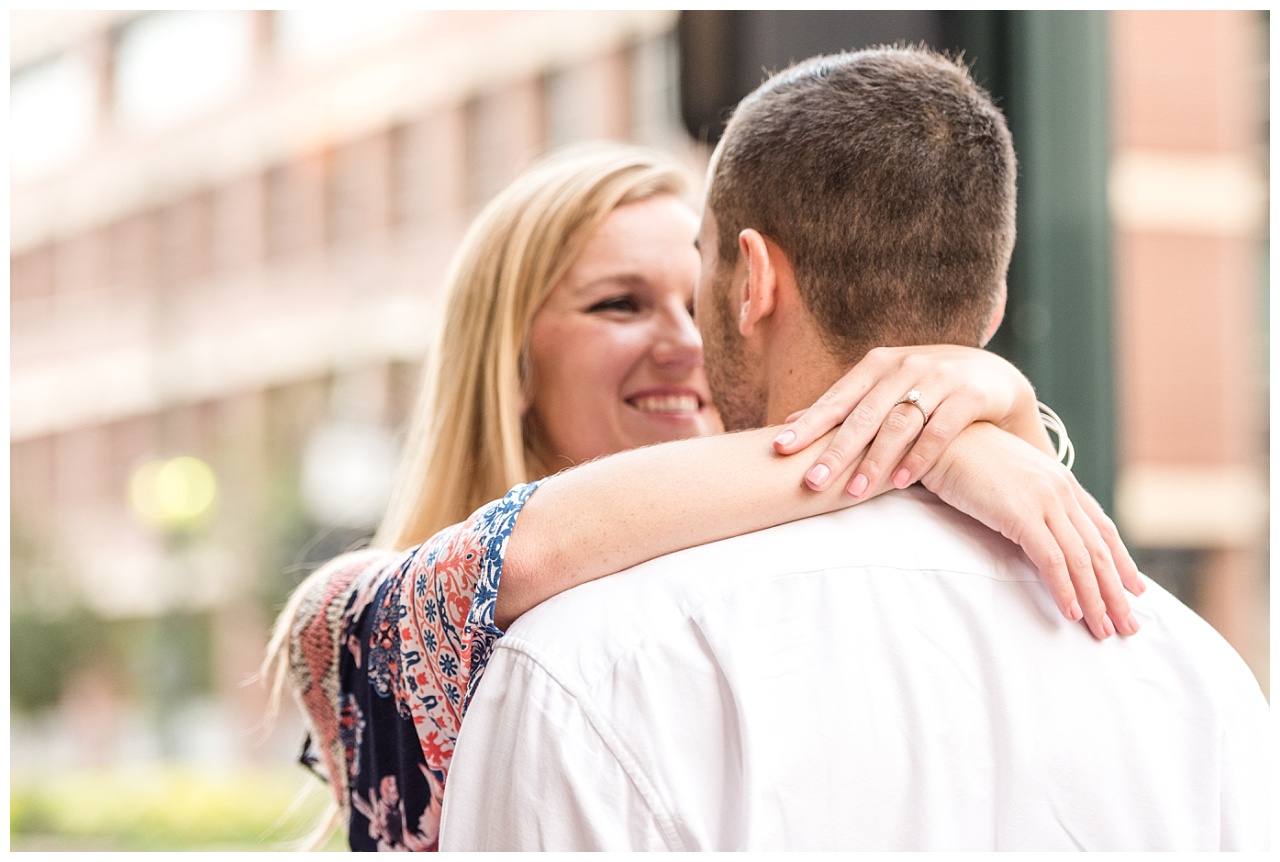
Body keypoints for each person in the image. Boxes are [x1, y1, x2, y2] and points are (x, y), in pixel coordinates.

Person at [438, 48, 1271, 851]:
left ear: (752, 282)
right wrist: (964, 437)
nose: (681, 342)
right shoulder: (1198, 674)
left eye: (693, 281)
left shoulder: (587, 666)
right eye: (620, 303)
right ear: (993, 307)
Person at [266, 142, 1140, 851]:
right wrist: (938, 432)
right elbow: (518, 553)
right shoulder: (345, 615)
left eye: (698, 300)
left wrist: (988, 424)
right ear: (512, 363)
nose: (686, 344)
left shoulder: (801, 593)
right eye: (620, 305)